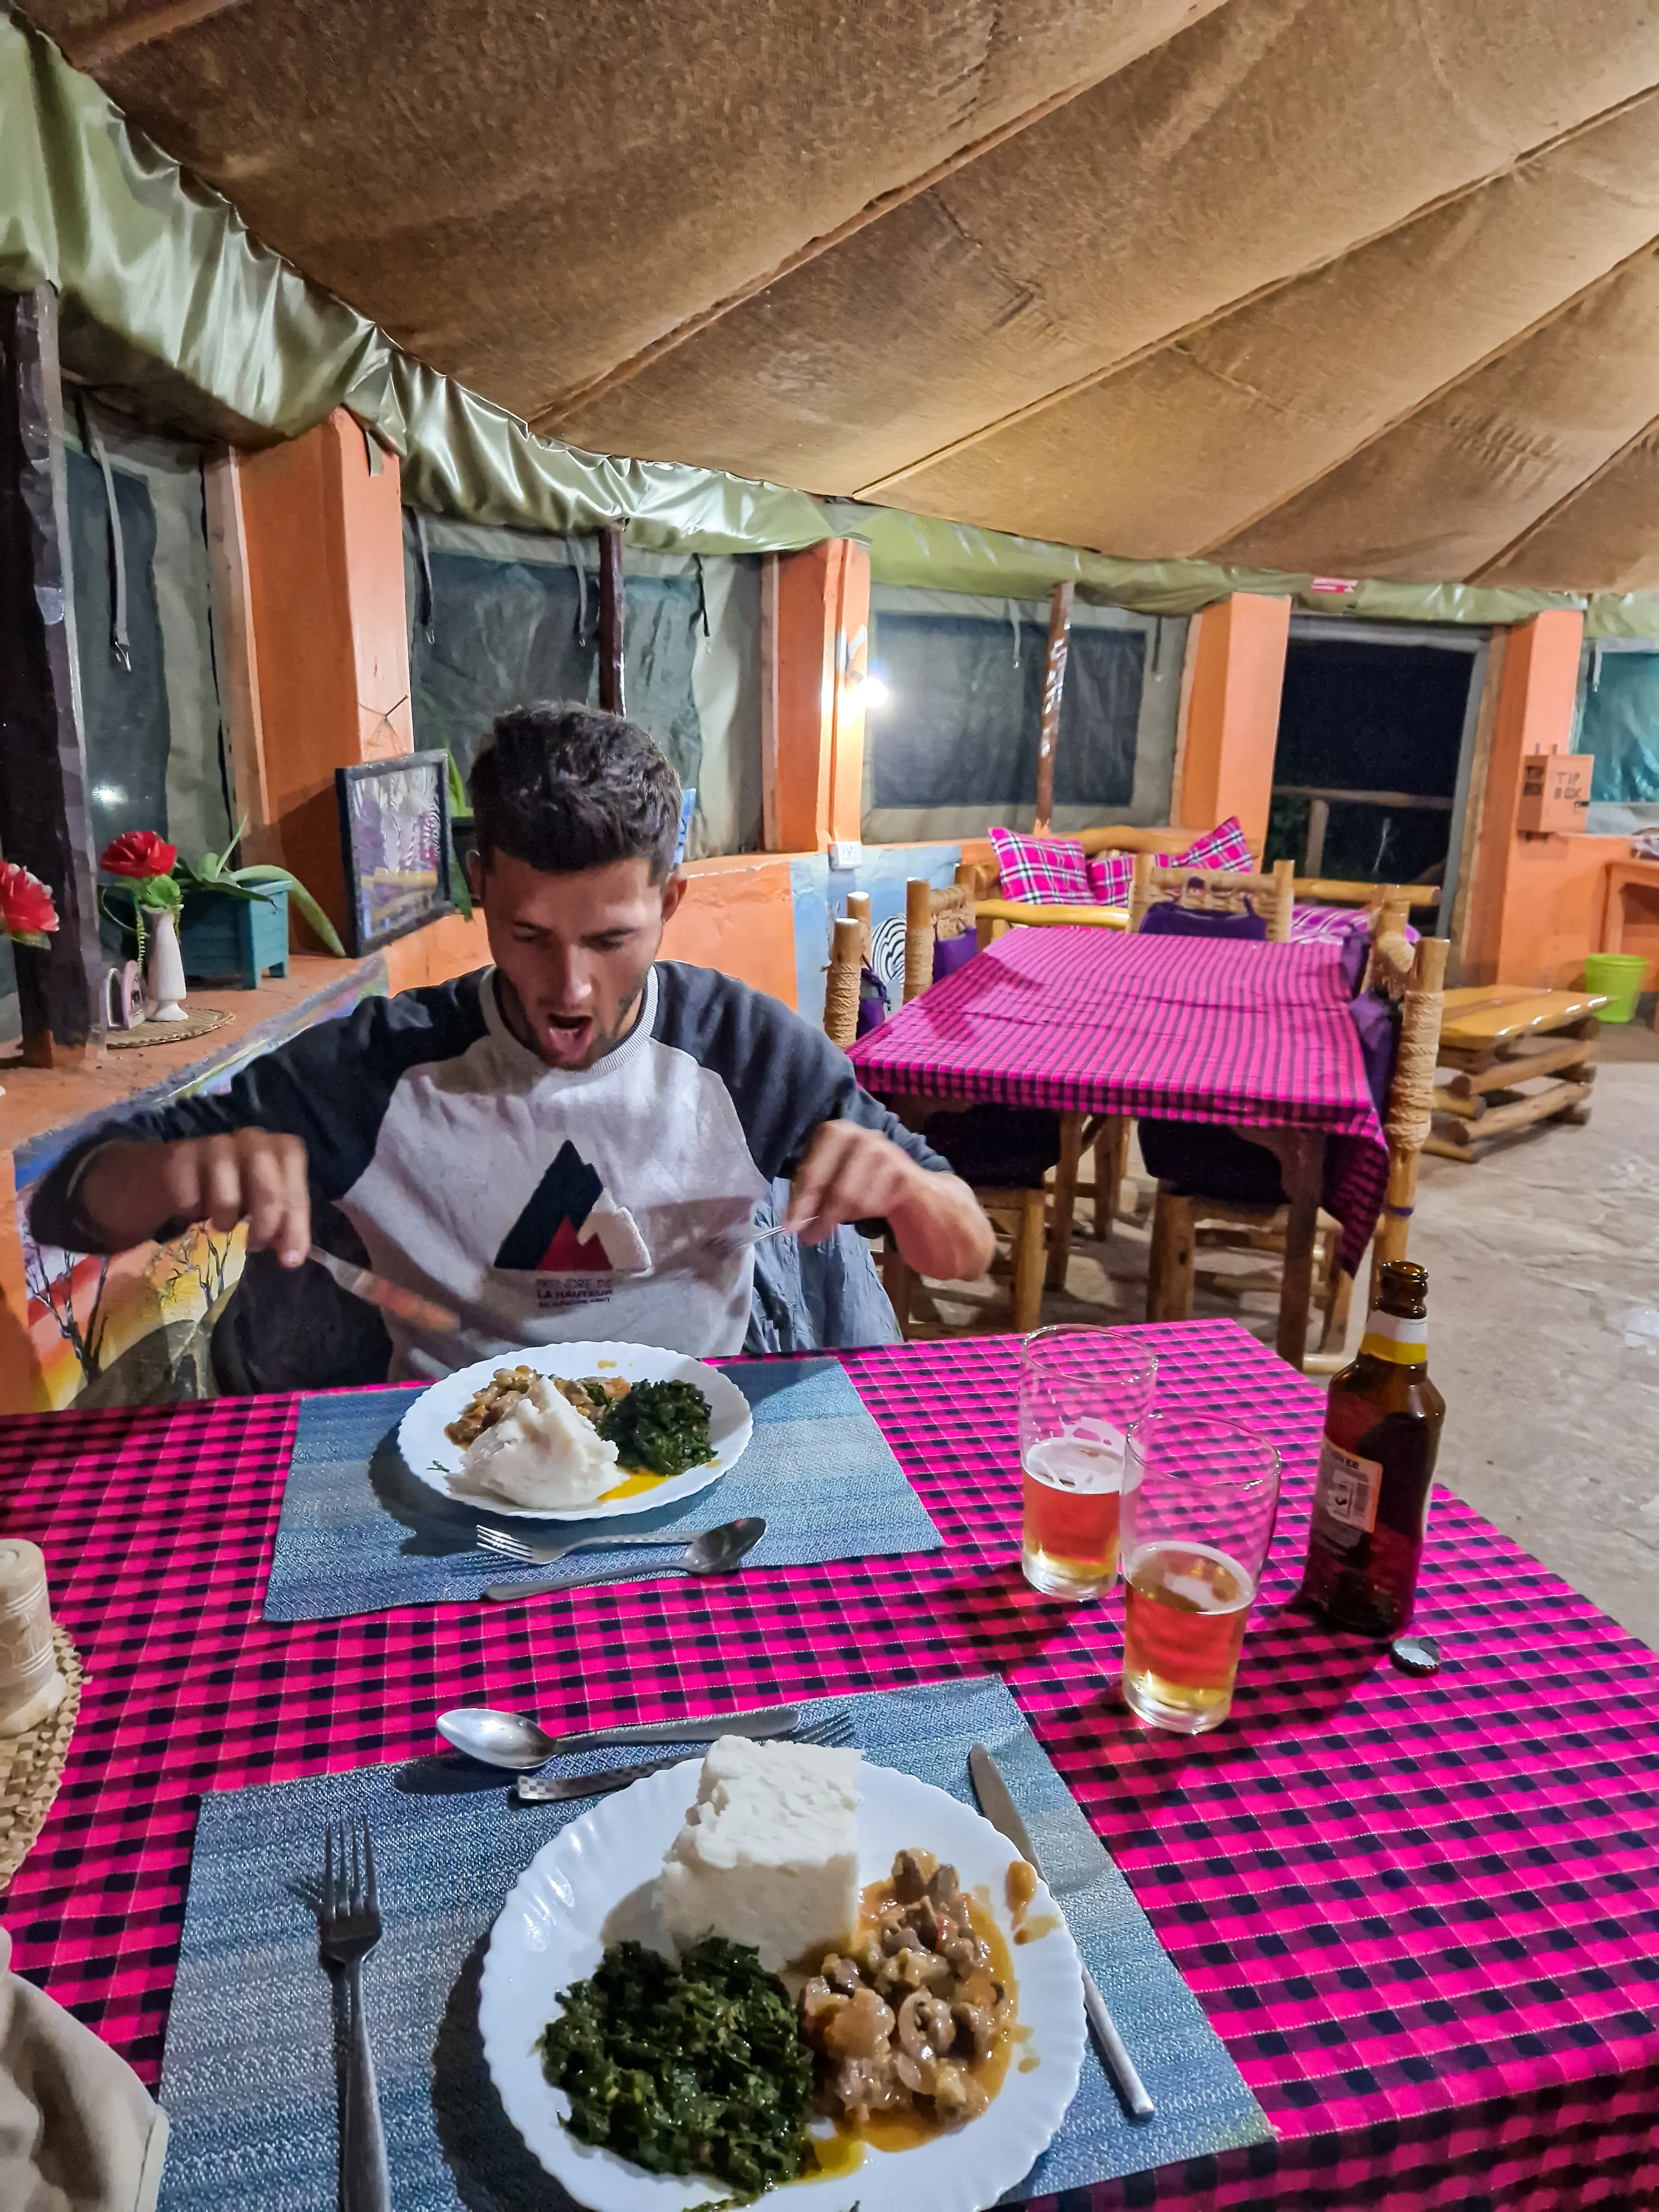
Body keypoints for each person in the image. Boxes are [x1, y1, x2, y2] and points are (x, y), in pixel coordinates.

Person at [31, 705, 993, 1381]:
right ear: (479, 884)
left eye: (613, 940)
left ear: (671, 903)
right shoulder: (377, 1066)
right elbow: (71, 1206)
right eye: (529, 936)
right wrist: (176, 1175)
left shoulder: (742, 1049)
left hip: (698, 1433)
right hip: (454, 1463)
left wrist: (912, 1191)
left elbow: (964, 1252)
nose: (569, 990)